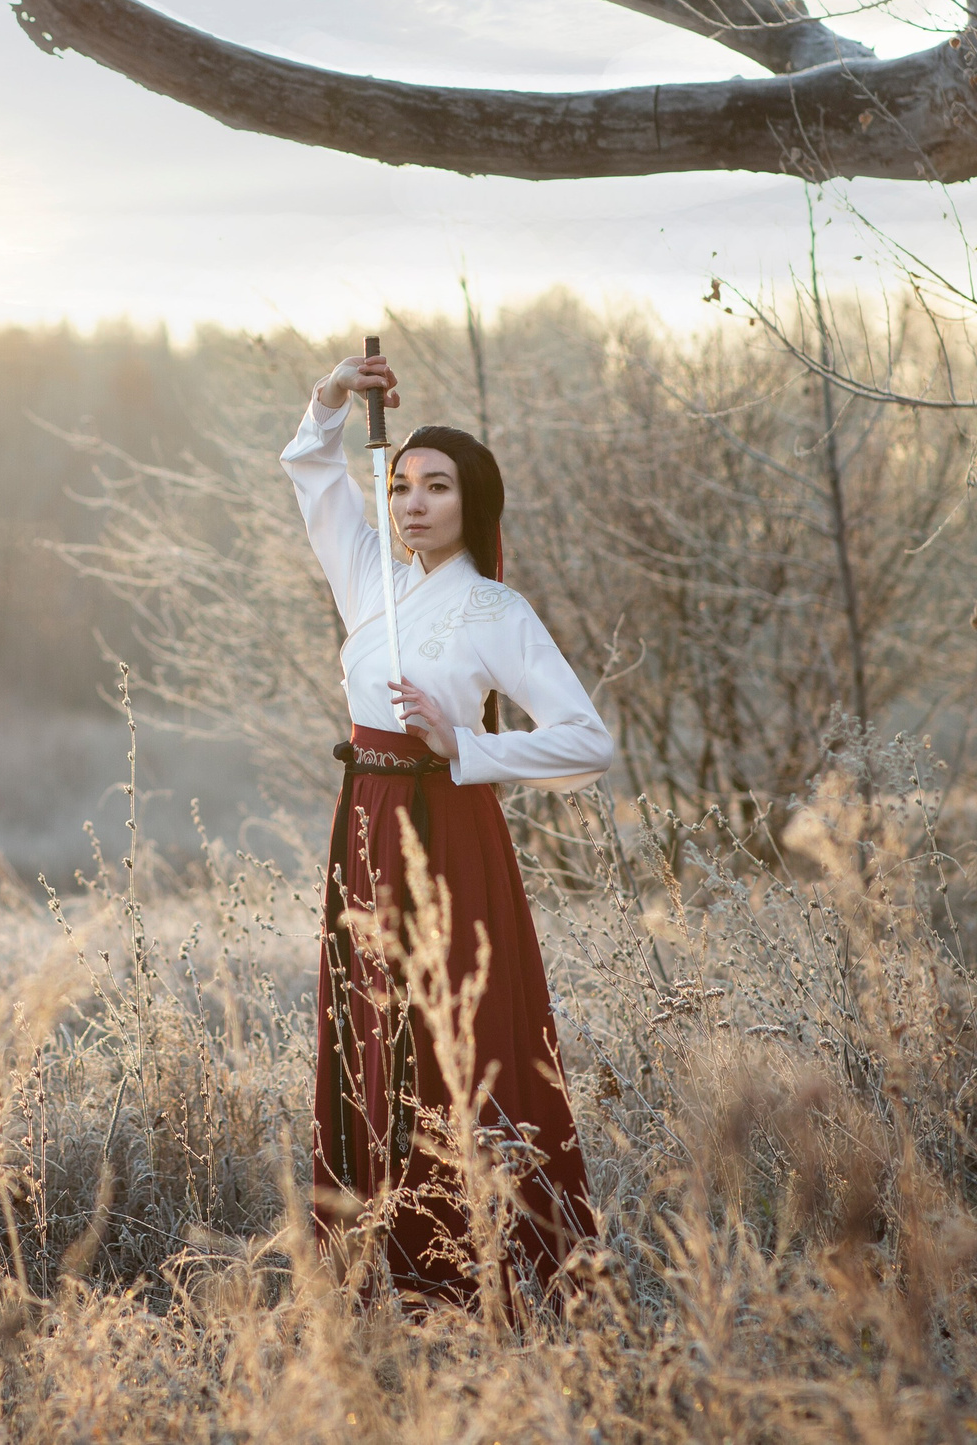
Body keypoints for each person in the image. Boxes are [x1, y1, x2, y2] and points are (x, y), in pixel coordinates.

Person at [282, 346, 612, 1303]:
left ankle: (472, 1269)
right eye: (400, 484)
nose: (412, 501)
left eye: (436, 486)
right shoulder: (371, 579)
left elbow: (586, 743)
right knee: (369, 1031)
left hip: (446, 830)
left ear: (474, 502)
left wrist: (462, 744)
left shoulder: (492, 608)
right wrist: (333, 396)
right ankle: (373, 1264)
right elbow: (313, 477)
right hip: (365, 823)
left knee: (445, 1033)